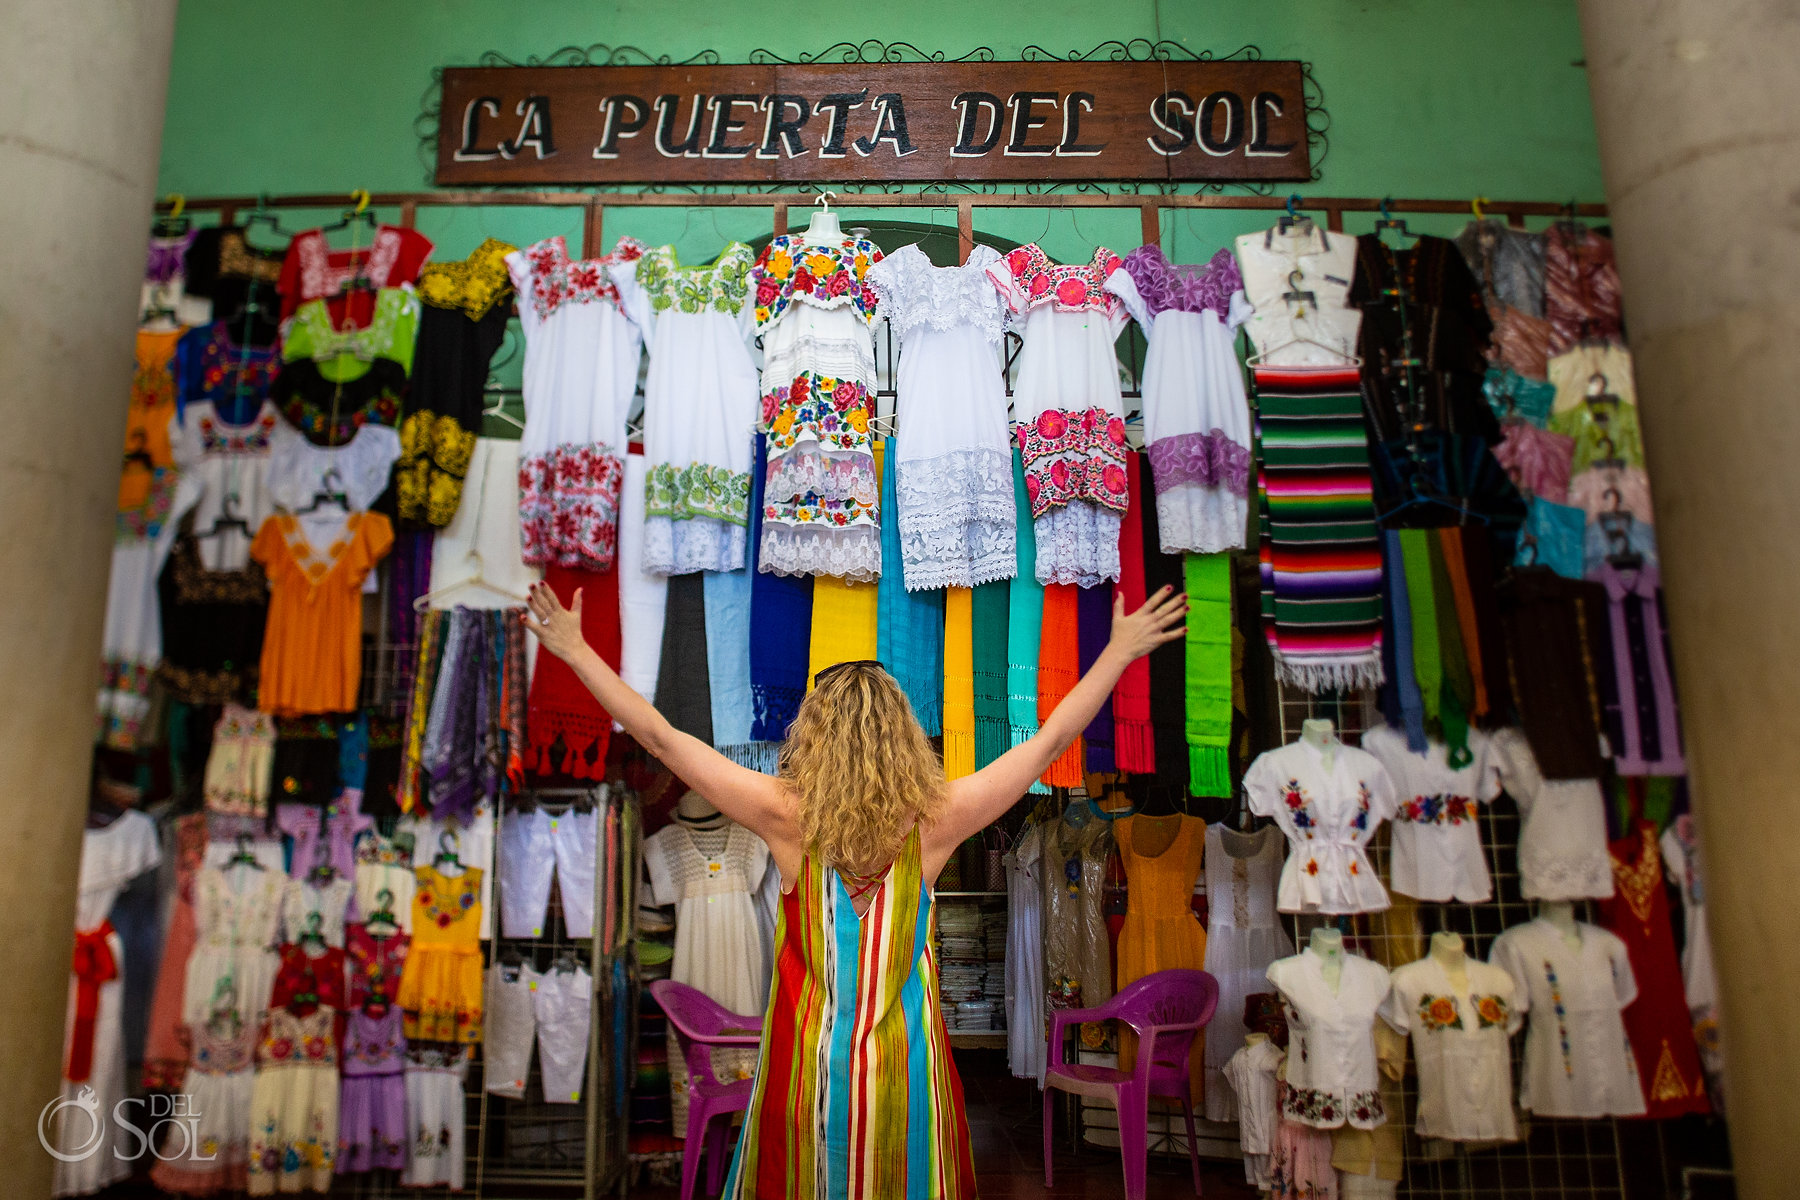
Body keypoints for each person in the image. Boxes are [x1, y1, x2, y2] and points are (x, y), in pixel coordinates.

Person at [523, 580, 1187, 1199]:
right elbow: (1051, 742)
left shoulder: (785, 816)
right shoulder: (937, 819)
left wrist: (578, 650)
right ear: (899, 736)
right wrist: (1119, 649)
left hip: (801, 1077)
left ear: (813, 735)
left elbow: (660, 738)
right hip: (908, 1076)